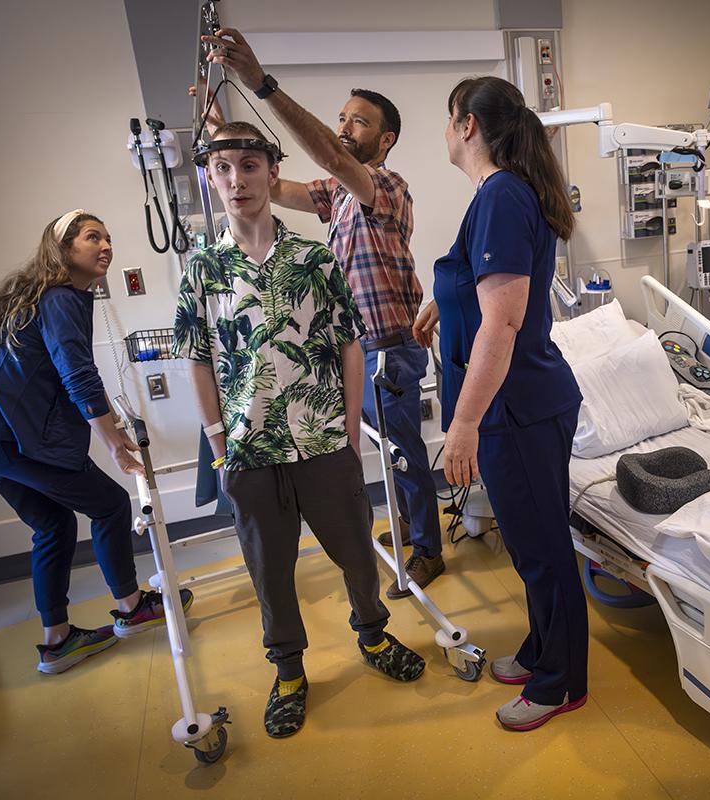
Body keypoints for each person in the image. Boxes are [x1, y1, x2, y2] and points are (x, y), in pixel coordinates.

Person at [173, 120, 425, 739]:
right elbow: (199, 358)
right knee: (269, 568)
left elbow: (348, 342)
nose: (238, 180)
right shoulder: (201, 269)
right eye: (224, 168)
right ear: (210, 177)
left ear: (270, 172)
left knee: (357, 556)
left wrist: (347, 422)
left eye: (250, 166)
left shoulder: (313, 257)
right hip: (248, 449)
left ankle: (372, 635)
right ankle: (288, 671)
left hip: (322, 442)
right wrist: (215, 440)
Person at [196, 28, 444, 598]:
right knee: (382, 457)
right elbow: (269, 185)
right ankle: (410, 530)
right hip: (354, 351)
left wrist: (262, 84)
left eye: (357, 121)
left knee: (403, 454)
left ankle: (427, 548)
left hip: (390, 348)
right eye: (342, 116)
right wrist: (224, 141)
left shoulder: (386, 187)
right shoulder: (338, 194)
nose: (343, 127)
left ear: (386, 141)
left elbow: (328, 156)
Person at [0, 211, 194, 675]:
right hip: (2, 434)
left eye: (108, 238)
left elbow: (57, 373)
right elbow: (76, 372)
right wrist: (114, 441)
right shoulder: (60, 298)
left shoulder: (53, 296)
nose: (106, 246)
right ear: (63, 249)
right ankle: (133, 607)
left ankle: (56, 641)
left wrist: (104, 417)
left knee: (54, 525)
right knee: (111, 505)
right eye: (92, 237)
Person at [420, 76, 588, 731]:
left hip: (517, 409)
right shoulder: (497, 197)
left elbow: (505, 323)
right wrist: (445, 301)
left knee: (544, 551)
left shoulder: (501, 197)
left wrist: (463, 423)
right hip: (515, 405)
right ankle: (542, 649)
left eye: (446, 119)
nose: (445, 132)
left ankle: (561, 683)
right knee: (528, 549)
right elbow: (486, 293)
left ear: (466, 125)